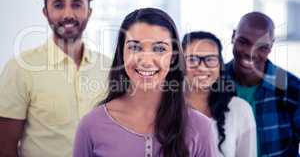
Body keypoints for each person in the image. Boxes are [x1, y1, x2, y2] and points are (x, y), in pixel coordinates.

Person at [73, 8, 218, 157]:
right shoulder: (91, 125)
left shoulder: (201, 128)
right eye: (135, 47)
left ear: (173, 57)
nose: (147, 61)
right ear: (122, 53)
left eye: (159, 49)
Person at [0, 0, 111, 157]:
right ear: (45, 12)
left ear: (89, 12)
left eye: (77, 5)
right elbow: (4, 146)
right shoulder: (21, 68)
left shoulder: (108, 67)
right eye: (58, 5)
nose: (68, 14)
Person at [226, 11, 300, 157]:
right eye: (243, 42)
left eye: (262, 47)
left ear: (271, 46)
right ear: (233, 36)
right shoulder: (211, 83)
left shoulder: (292, 87)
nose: (250, 52)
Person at [182, 31, 257, 157]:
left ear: (220, 65)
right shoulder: (165, 108)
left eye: (210, 59)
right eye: (192, 59)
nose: (202, 67)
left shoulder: (240, 110)